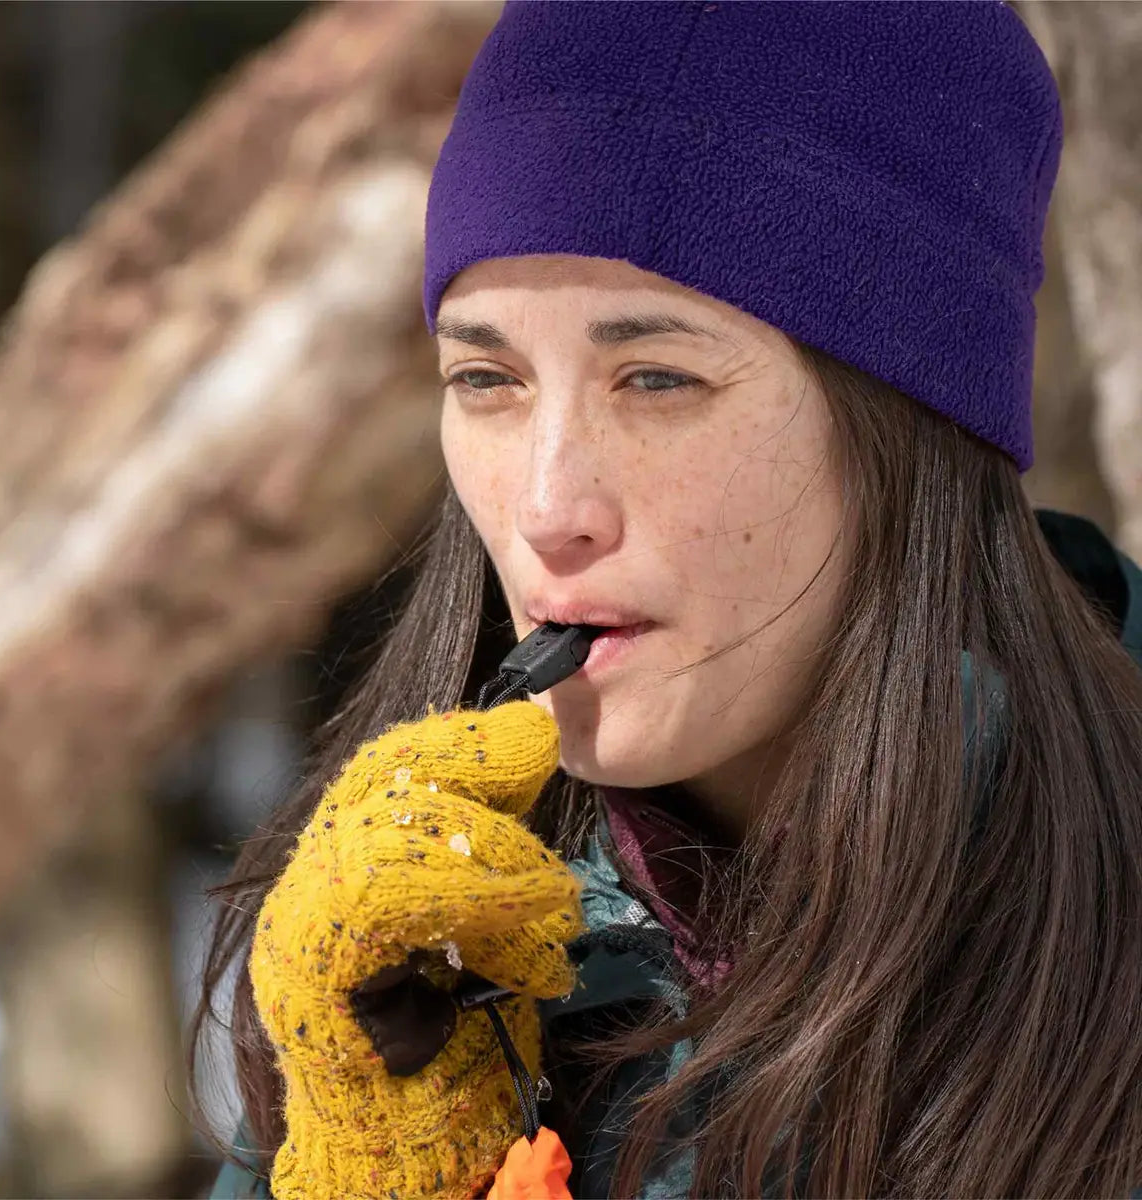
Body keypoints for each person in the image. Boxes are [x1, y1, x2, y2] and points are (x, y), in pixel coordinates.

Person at [193, 2, 1142, 1197]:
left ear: (913, 424)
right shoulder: (408, 932)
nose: (547, 507)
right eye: (487, 378)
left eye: (656, 377)